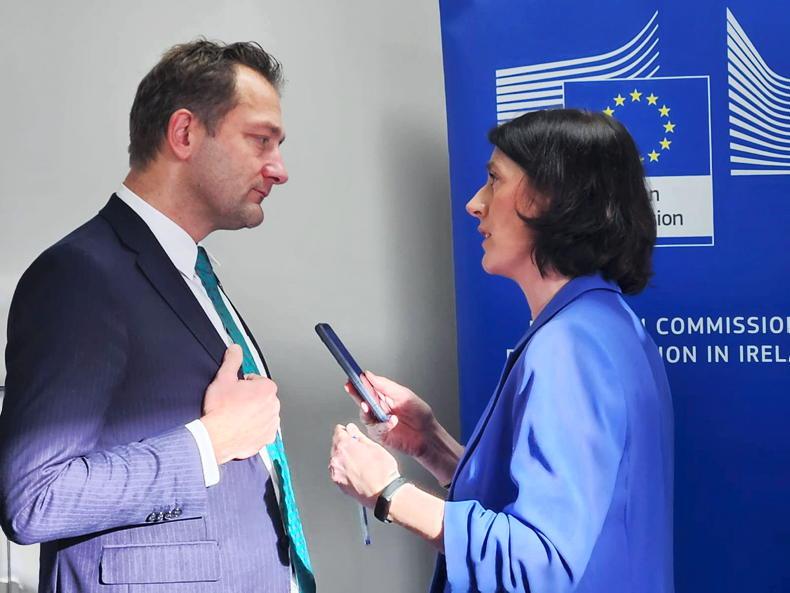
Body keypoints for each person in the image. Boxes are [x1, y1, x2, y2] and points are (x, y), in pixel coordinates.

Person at [0, 40, 315, 593]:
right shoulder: (79, 276)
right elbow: (34, 498)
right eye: (260, 140)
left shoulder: (194, 274)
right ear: (185, 133)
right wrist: (209, 443)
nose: (279, 169)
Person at [328, 109, 674, 593]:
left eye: (495, 180)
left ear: (552, 198)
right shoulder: (604, 324)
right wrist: (430, 443)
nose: (475, 204)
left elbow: (539, 564)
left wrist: (389, 493)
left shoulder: (569, 347)